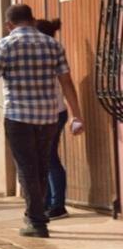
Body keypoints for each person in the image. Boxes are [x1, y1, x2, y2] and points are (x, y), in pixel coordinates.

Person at [0, 5, 84, 237]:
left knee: (27, 168)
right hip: (48, 117)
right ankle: (37, 215)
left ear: (9, 25)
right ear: (32, 20)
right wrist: (77, 114)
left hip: (18, 117)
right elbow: (66, 81)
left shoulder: (5, 45)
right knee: (42, 165)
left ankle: (36, 220)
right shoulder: (53, 45)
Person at [35, 19, 69, 220]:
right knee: (45, 158)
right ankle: (49, 202)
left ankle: (58, 205)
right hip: (53, 112)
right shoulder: (51, 52)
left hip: (52, 113)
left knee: (49, 158)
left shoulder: (49, 54)